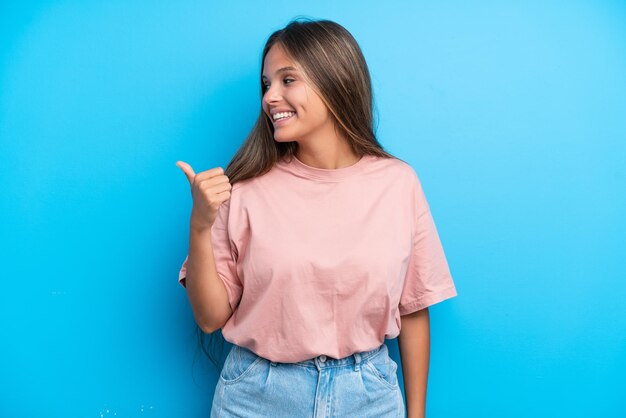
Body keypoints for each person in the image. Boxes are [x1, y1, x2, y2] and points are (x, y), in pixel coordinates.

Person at [175, 16, 458, 418]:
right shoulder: (246, 189)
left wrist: (417, 415)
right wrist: (200, 225)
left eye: (287, 80)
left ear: (336, 79)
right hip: (256, 397)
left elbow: (413, 308)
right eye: (266, 83)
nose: (270, 97)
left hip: (369, 397)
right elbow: (209, 318)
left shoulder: (398, 184)